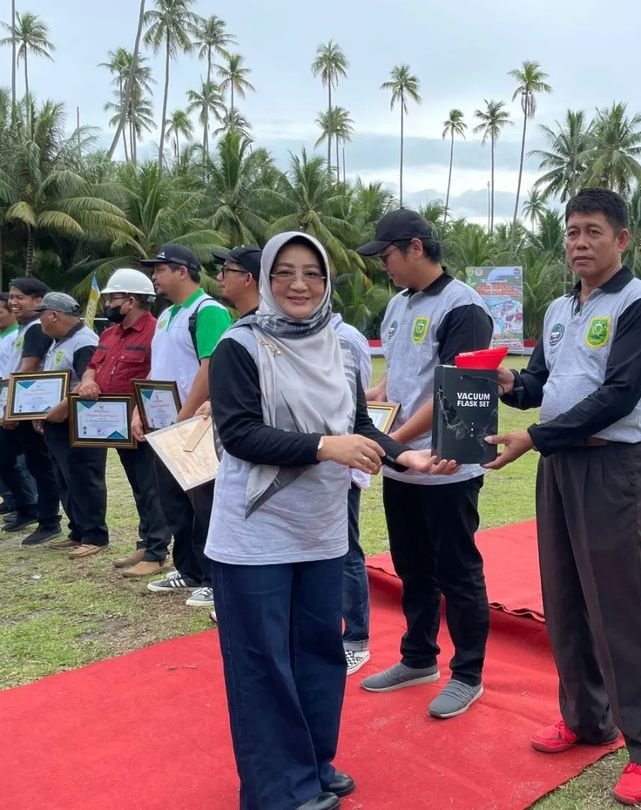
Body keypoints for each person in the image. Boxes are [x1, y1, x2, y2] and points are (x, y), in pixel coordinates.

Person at [206, 231, 453, 810]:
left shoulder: (340, 347)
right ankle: (277, 791)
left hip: (319, 529)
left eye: (312, 273)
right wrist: (323, 446)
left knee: (318, 651)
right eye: (285, 272)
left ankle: (312, 765)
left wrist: (404, 456)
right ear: (266, 279)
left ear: (325, 282)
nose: (299, 284)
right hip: (255, 533)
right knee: (264, 663)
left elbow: (358, 425)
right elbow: (238, 434)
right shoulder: (240, 345)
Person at [486, 188, 641, 807]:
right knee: (565, 597)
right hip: (560, 465)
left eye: (593, 231)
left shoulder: (640, 305)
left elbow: (618, 396)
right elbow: (541, 384)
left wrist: (535, 436)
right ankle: (586, 718)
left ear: (622, 239)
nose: (579, 243)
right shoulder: (558, 309)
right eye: (572, 232)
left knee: (621, 606)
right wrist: (508, 382)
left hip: (612, 466)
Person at [357, 209, 494, 719]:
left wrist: (388, 441)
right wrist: (364, 404)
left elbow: (451, 392)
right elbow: (395, 379)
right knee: (411, 567)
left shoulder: (464, 307)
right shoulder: (398, 304)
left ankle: (468, 673)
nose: (384, 266)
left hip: (445, 467)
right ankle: (418, 658)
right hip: (403, 467)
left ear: (416, 247)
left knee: (456, 570)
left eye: (387, 255)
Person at [131, 245, 232, 605]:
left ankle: (213, 576)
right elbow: (158, 369)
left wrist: (184, 416)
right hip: (165, 426)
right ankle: (188, 569)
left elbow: (211, 366)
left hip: (195, 424)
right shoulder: (166, 315)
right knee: (174, 501)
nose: (154, 276)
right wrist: (139, 411)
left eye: (159, 269)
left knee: (205, 503)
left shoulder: (208, 311)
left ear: (182, 271)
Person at [78, 268, 171, 571]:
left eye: (113, 299)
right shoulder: (109, 334)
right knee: (137, 485)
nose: (108, 304)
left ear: (131, 301)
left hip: (142, 421)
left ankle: (157, 552)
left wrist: (139, 413)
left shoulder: (157, 332)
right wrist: (88, 380)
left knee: (151, 486)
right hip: (113, 423)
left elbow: (157, 376)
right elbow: (93, 366)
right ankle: (145, 544)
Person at [34, 293, 110, 558]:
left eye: (42, 315)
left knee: (84, 478)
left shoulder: (84, 342)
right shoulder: (58, 343)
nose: (40, 321)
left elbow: (90, 384)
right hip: (57, 423)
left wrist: (61, 408)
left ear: (54, 315)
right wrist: (40, 412)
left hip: (79, 423)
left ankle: (95, 535)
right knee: (65, 479)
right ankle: (78, 530)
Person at [1, 277, 63, 546]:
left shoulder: (36, 328)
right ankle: (27, 507)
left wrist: (11, 409)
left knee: (40, 465)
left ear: (38, 301)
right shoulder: (24, 328)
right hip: (17, 405)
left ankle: (49, 520)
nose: (13, 302)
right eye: (12, 297)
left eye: (20, 297)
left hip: (28, 407)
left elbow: (28, 370)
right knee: (9, 459)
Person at [331, 310, 375, 675]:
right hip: (310, 468)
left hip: (343, 465)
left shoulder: (346, 339)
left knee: (347, 552)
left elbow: (358, 409)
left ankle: (356, 639)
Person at [0, 292, 35, 515]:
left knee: (18, 460)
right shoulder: (9, 335)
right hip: (5, 400)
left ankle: (27, 502)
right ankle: (15, 500)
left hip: (12, 402)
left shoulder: (16, 336)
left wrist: (9, 405)